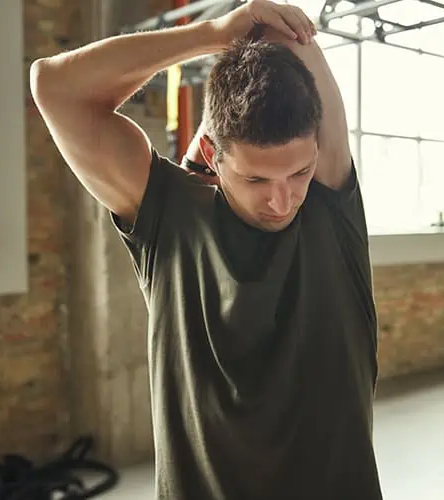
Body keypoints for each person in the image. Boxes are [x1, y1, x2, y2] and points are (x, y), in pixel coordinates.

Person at [30, 1, 381, 498]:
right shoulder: (168, 214)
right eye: (256, 179)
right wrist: (213, 34)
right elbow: (54, 85)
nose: (282, 200)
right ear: (214, 155)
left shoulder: (330, 208)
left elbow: (288, 37)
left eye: (298, 172)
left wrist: (258, 27)